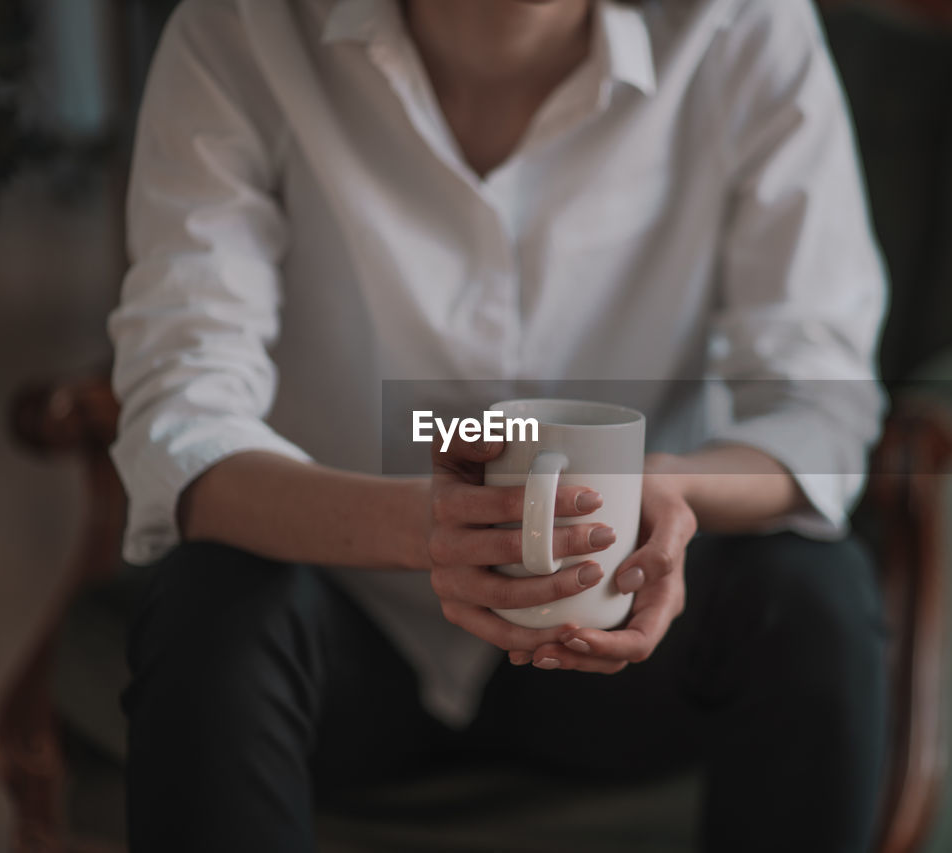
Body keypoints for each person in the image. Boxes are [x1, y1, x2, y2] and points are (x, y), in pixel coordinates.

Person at [109, 0, 889, 850]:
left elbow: (821, 404)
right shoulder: (243, 27)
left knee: (815, 597)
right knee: (211, 605)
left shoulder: (745, 28)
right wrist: (425, 531)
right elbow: (183, 416)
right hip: (344, 638)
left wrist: (663, 488)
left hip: (625, 638)